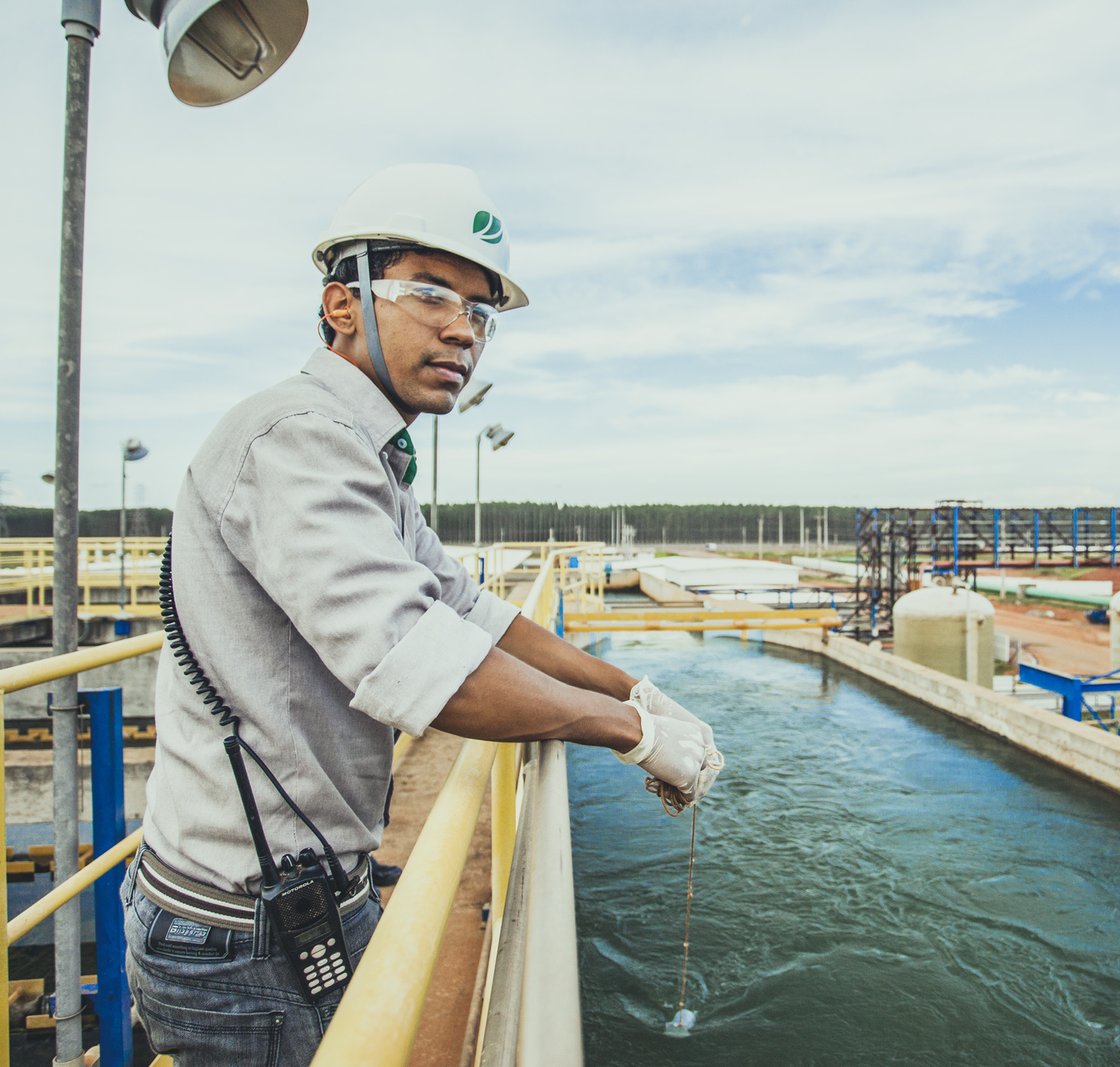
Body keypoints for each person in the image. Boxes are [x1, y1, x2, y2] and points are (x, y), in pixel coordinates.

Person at [122, 164, 722, 1067]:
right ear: (341, 303)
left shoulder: (363, 452)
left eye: (480, 311)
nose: (463, 329)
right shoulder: (297, 439)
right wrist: (630, 733)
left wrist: (631, 686)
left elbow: (466, 608)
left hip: (294, 900)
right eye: (432, 293)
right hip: (243, 936)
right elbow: (422, 663)